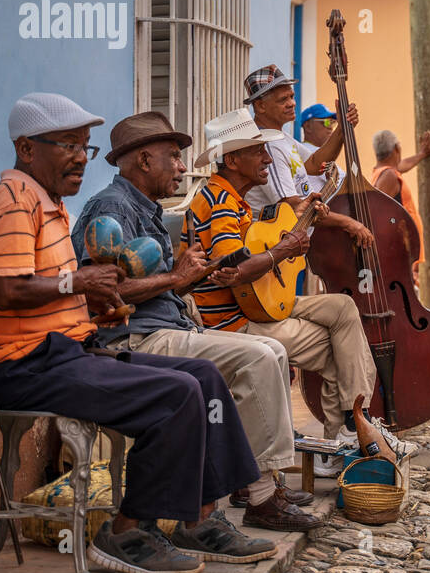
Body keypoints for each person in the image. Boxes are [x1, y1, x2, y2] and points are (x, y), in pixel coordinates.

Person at [0, 93, 272, 573]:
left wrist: (97, 308)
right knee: (176, 395)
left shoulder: (51, 204)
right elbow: (7, 291)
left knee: (205, 376)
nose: (78, 158)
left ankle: (200, 519)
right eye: (67, 144)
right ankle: (126, 532)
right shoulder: (12, 199)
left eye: (84, 147)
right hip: (23, 364)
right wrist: (80, 284)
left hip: (66, 350)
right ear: (27, 149)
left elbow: (52, 291)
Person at [71, 111, 319, 532]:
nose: (183, 167)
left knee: (273, 353)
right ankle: (258, 495)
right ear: (145, 160)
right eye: (173, 157)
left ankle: (259, 487)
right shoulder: (111, 208)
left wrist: (189, 279)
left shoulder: (144, 208)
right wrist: (176, 277)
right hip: (133, 340)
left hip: (167, 328)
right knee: (262, 357)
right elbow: (95, 295)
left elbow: (158, 288)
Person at [185, 108, 417, 477]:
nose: (266, 158)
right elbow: (235, 272)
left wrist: (287, 241)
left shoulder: (239, 202)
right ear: (232, 159)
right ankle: (350, 432)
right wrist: (283, 251)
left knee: (343, 307)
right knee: (338, 351)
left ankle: (345, 431)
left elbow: (253, 253)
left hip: (262, 305)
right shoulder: (218, 203)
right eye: (257, 152)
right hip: (236, 321)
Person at [242, 64, 372, 257]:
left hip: (287, 248)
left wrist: (342, 129)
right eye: (283, 100)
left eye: (292, 97)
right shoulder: (268, 145)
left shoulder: (281, 138)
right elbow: (291, 207)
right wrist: (348, 222)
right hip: (272, 249)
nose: (291, 103)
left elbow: (314, 164)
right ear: (260, 106)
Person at [370, 128, 430, 264]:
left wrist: (422, 154)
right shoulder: (389, 176)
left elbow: (402, 165)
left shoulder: (386, 171)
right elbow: (376, 213)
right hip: (398, 254)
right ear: (396, 149)